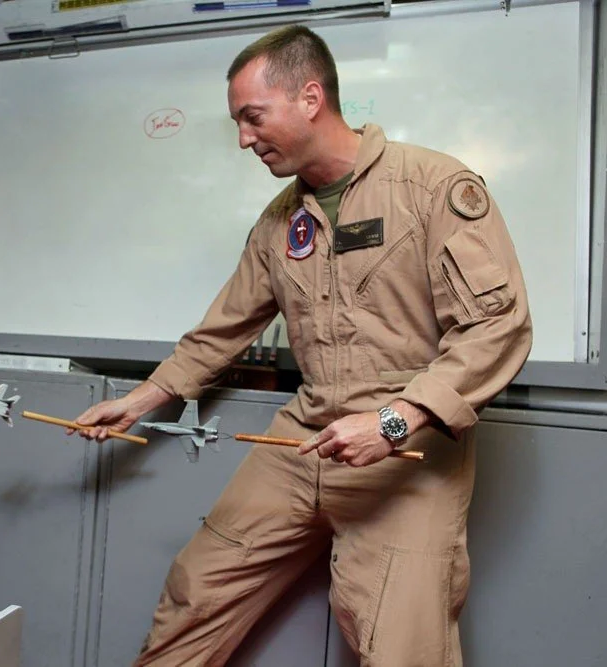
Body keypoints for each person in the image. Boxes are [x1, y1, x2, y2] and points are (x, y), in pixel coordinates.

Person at [72, 25, 532, 667]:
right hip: (304, 439)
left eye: (253, 117)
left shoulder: (433, 187)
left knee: (401, 647)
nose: (244, 139)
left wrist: (392, 422)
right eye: (238, 122)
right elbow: (222, 330)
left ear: (310, 98)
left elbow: (496, 328)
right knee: (195, 593)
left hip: (408, 450)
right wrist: (142, 400)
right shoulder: (278, 221)